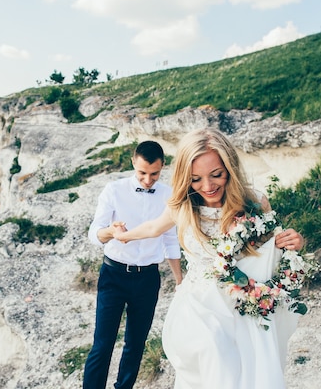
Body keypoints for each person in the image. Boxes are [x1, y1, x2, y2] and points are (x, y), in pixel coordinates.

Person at [113, 128, 305, 389]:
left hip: (243, 304)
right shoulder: (182, 206)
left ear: (230, 167)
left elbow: (271, 246)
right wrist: (123, 236)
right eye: (195, 179)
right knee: (213, 353)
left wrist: (293, 243)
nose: (207, 186)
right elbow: (153, 228)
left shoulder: (254, 201)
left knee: (249, 374)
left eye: (216, 175)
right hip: (199, 304)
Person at [83, 140, 183, 389]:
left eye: (154, 174)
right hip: (113, 274)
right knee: (103, 344)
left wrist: (180, 279)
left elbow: (171, 240)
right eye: (142, 173)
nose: (148, 180)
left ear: (162, 168)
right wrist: (111, 231)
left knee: (136, 343)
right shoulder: (114, 190)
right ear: (133, 164)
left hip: (148, 278)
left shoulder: (169, 195)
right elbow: (94, 233)